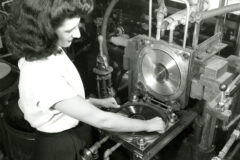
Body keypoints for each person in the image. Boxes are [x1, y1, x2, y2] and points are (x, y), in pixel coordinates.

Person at [5, 0, 166, 160]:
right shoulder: (41, 73)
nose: (78, 34)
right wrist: (148, 125)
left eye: (77, 25)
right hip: (60, 148)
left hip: (70, 135)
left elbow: (61, 103)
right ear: (46, 31)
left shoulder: (45, 50)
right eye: (70, 30)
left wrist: (95, 102)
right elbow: (102, 120)